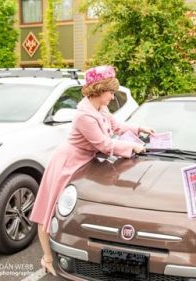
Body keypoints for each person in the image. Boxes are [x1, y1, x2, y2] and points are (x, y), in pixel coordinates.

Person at [29, 65, 154, 275]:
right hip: (68, 162)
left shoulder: (100, 108)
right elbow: (104, 145)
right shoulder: (84, 115)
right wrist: (132, 146)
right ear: (99, 90)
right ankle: (47, 258)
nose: (113, 97)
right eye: (111, 92)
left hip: (86, 160)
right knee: (49, 210)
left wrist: (139, 129)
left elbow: (116, 126)